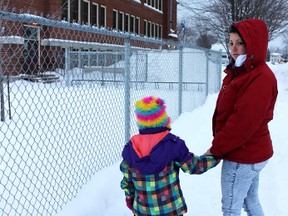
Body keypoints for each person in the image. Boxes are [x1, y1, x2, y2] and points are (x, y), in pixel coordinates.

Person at [205, 18, 278, 216]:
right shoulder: (242, 71)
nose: (234, 48)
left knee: (230, 209)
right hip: (249, 152)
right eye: (231, 43)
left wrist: (215, 150)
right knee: (250, 201)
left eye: (240, 43)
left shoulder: (259, 77)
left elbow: (242, 124)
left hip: (243, 156)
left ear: (253, 43)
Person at [120, 96, 220, 216]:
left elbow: (127, 183)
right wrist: (215, 156)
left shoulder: (131, 149)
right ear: (163, 119)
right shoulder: (173, 145)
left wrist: (130, 199)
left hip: (143, 210)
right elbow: (194, 166)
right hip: (171, 210)